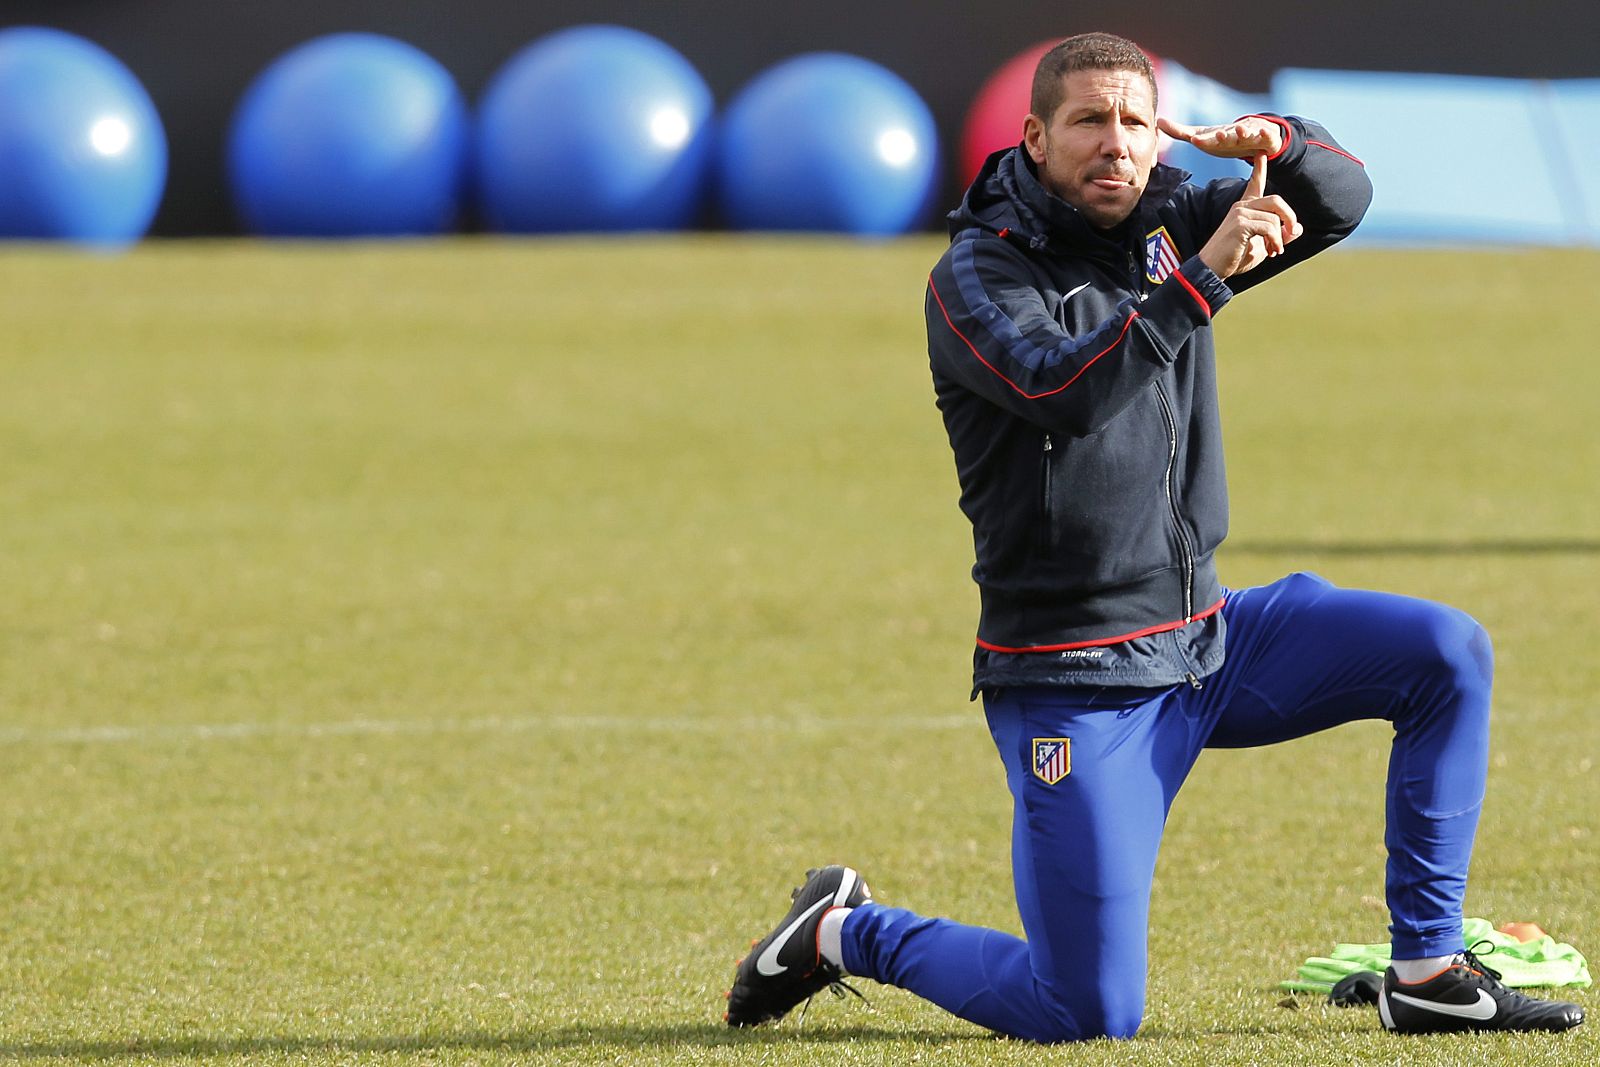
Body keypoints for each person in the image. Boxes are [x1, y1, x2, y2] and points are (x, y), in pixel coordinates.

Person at [722, 32, 1586, 1041]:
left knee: (1444, 650)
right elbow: (1064, 388)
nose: (1114, 145)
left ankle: (1429, 970)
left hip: (1207, 641)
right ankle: (843, 931)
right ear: (1035, 135)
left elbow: (1343, 201)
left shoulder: (1171, 219)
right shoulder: (975, 275)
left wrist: (1283, 142)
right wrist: (1201, 278)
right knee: (1085, 1009)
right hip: (1073, 681)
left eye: (1134, 121)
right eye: (1088, 121)